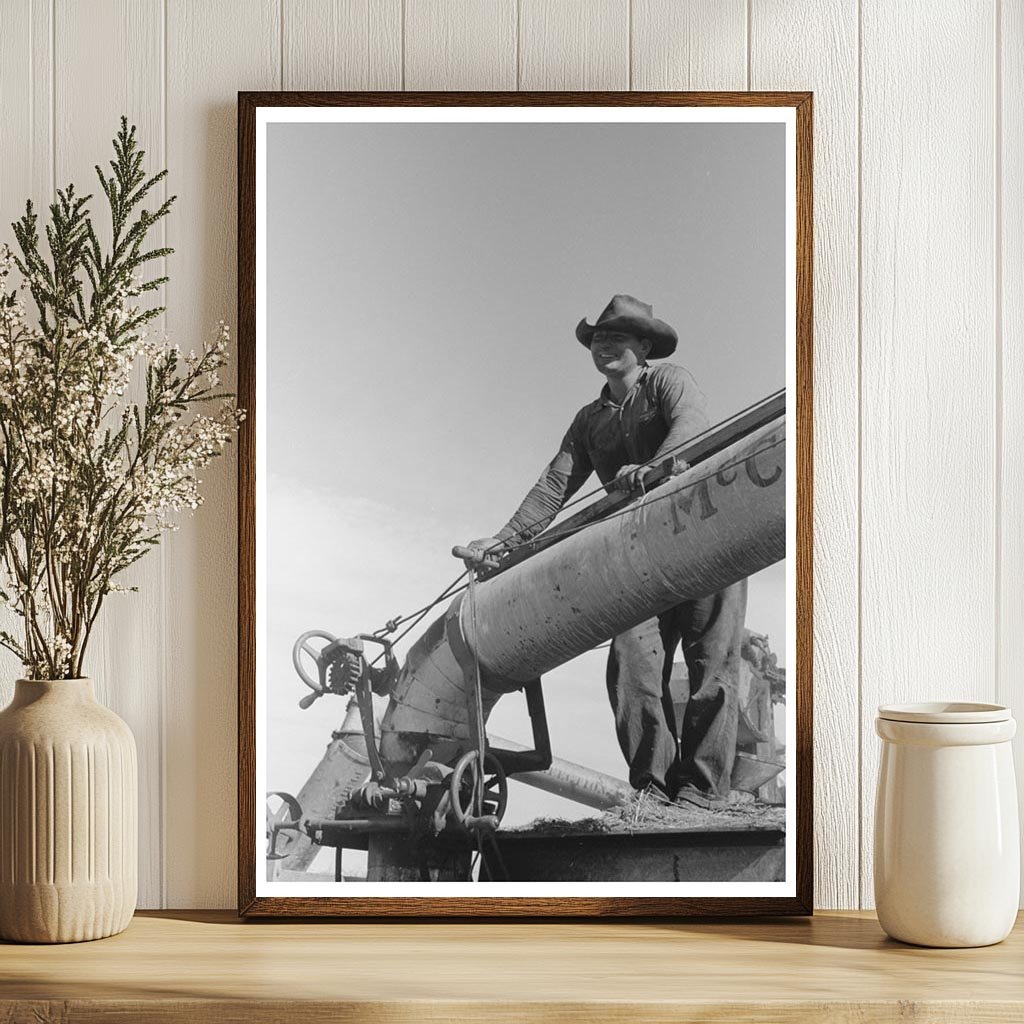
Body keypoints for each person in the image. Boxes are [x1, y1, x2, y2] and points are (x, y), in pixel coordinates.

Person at [459, 294, 747, 807]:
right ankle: (653, 795)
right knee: (631, 663)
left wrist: (659, 465)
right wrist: (502, 544)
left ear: (644, 346)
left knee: (713, 666)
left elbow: (692, 426)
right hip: (640, 559)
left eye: (617, 337)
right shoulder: (590, 420)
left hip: (704, 534)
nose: (605, 346)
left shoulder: (669, 382)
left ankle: (703, 790)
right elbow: (554, 486)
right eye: (598, 339)